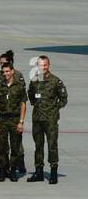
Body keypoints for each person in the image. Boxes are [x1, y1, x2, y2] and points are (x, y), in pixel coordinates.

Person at [27, 56, 68, 184]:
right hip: (37, 119)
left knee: (52, 146)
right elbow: (31, 95)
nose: (42, 67)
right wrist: (36, 105)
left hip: (50, 120)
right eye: (40, 65)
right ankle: (39, 172)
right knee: (38, 146)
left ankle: (53, 172)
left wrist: (54, 109)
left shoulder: (56, 81)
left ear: (48, 65)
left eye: (45, 65)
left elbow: (63, 98)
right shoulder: (34, 80)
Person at [0, 64, 26, 182]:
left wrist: (21, 121)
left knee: (15, 146)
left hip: (15, 119)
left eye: (7, 71)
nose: (5, 74)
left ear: (12, 71)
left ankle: (13, 169)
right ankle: (2, 169)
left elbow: (23, 104)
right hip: (1, 119)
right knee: (1, 146)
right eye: (3, 72)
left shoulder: (19, 86)